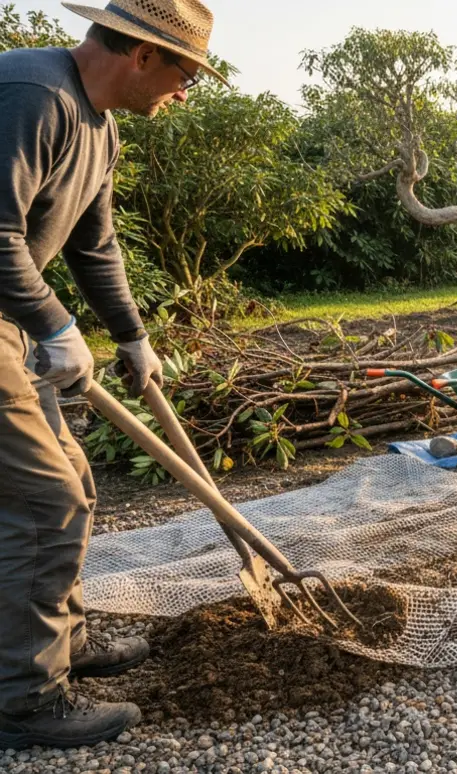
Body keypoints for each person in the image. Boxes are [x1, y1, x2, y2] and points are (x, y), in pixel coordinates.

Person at [0, 0, 225, 750]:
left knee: (74, 477)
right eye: (186, 75)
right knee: (44, 500)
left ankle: (60, 643)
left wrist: (132, 338)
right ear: (142, 57)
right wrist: (56, 327)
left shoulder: (101, 129)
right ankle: (24, 701)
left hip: (8, 320)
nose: (184, 93)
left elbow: (94, 248)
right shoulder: (36, 94)